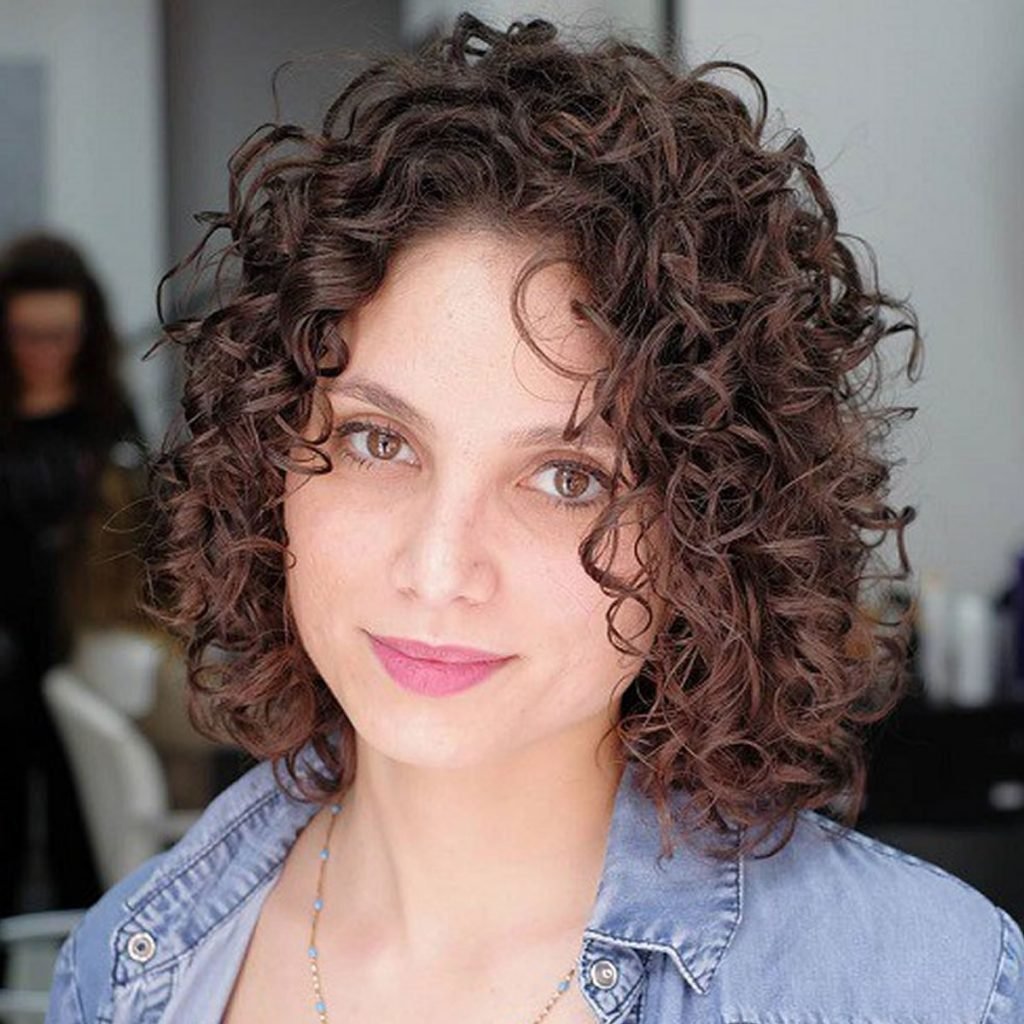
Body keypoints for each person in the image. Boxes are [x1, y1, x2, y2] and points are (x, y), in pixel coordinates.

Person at [47, 13, 1022, 1023]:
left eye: (567, 478)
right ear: (270, 466)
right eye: (379, 441)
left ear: (707, 531)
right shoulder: (129, 972)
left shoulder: (922, 988)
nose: (439, 568)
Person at [0, 235, 145, 928]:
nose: (44, 351)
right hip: (6, 642)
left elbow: (133, 525)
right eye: (28, 335)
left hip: (81, 634)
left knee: (82, 811)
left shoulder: (106, 413)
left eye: (60, 335)